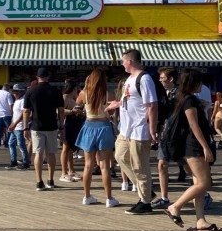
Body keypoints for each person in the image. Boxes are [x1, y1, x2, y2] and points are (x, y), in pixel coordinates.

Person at [106, 49, 159, 215]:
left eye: (123, 61)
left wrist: (152, 128)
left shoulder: (145, 79)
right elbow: (128, 100)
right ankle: (147, 191)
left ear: (130, 61)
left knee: (140, 166)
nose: (122, 64)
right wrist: (116, 104)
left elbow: (152, 105)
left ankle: (145, 202)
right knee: (120, 156)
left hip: (139, 129)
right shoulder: (130, 79)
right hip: (126, 129)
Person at [162, 69, 216, 230]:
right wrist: (206, 147)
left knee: (198, 182)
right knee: (205, 182)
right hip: (194, 146)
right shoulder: (189, 101)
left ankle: (200, 219)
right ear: (194, 83)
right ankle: (175, 207)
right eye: (200, 82)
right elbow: (194, 125)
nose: (202, 85)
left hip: (190, 146)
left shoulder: (185, 98)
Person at [75, 68, 119, 207]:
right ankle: (109, 198)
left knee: (88, 165)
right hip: (104, 127)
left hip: (89, 126)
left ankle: (87, 196)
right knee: (105, 165)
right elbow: (112, 110)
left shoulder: (84, 93)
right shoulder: (107, 94)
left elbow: (77, 106)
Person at [23, 68, 65, 191]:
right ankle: (50, 180)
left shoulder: (30, 91)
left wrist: (25, 127)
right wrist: (61, 126)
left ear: (37, 77)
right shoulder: (55, 91)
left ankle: (39, 181)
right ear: (48, 77)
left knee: (38, 153)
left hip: (36, 127)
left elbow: (26, 111)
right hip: (51, 126)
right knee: (51, 153)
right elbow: (61, 111)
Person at [153, 67, 180, 210]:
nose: (160, 80)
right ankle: (164, 197)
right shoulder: (162, 93)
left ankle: (204, 191)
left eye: (162, 77)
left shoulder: (180, 94)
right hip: (165, 133)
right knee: (161, 164)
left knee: (188, 166)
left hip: (178, 134)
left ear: (170, 79)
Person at [60, 81, 83, 183]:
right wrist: (71, 111)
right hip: (66, 124)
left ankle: (71, 170)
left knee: (69, 148)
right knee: (65, 148)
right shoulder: (65, 97)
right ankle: (63, 172)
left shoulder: (72, 98)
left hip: (73, 124)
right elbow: (59, 111)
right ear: (73, 88)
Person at [6, 83, 30, 170]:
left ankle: (26, 162)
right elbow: (15, 114)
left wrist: (15, 123)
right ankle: (13, 161)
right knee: (11, 143)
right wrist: (12, 124)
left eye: (16, 92)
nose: (14, 93)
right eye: (13, 92)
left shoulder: (23, 100)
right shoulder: (17, 100)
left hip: (19, 126)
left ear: (20, 92)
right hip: (15, 126)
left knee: (21, 145)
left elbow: (23, 114)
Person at [0, 83, 14, 150]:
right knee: (9, 129)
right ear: (7, 88)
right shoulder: (8, 94)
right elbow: (11, 105)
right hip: (7, 114)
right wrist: (12, 113)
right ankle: (7, 144)